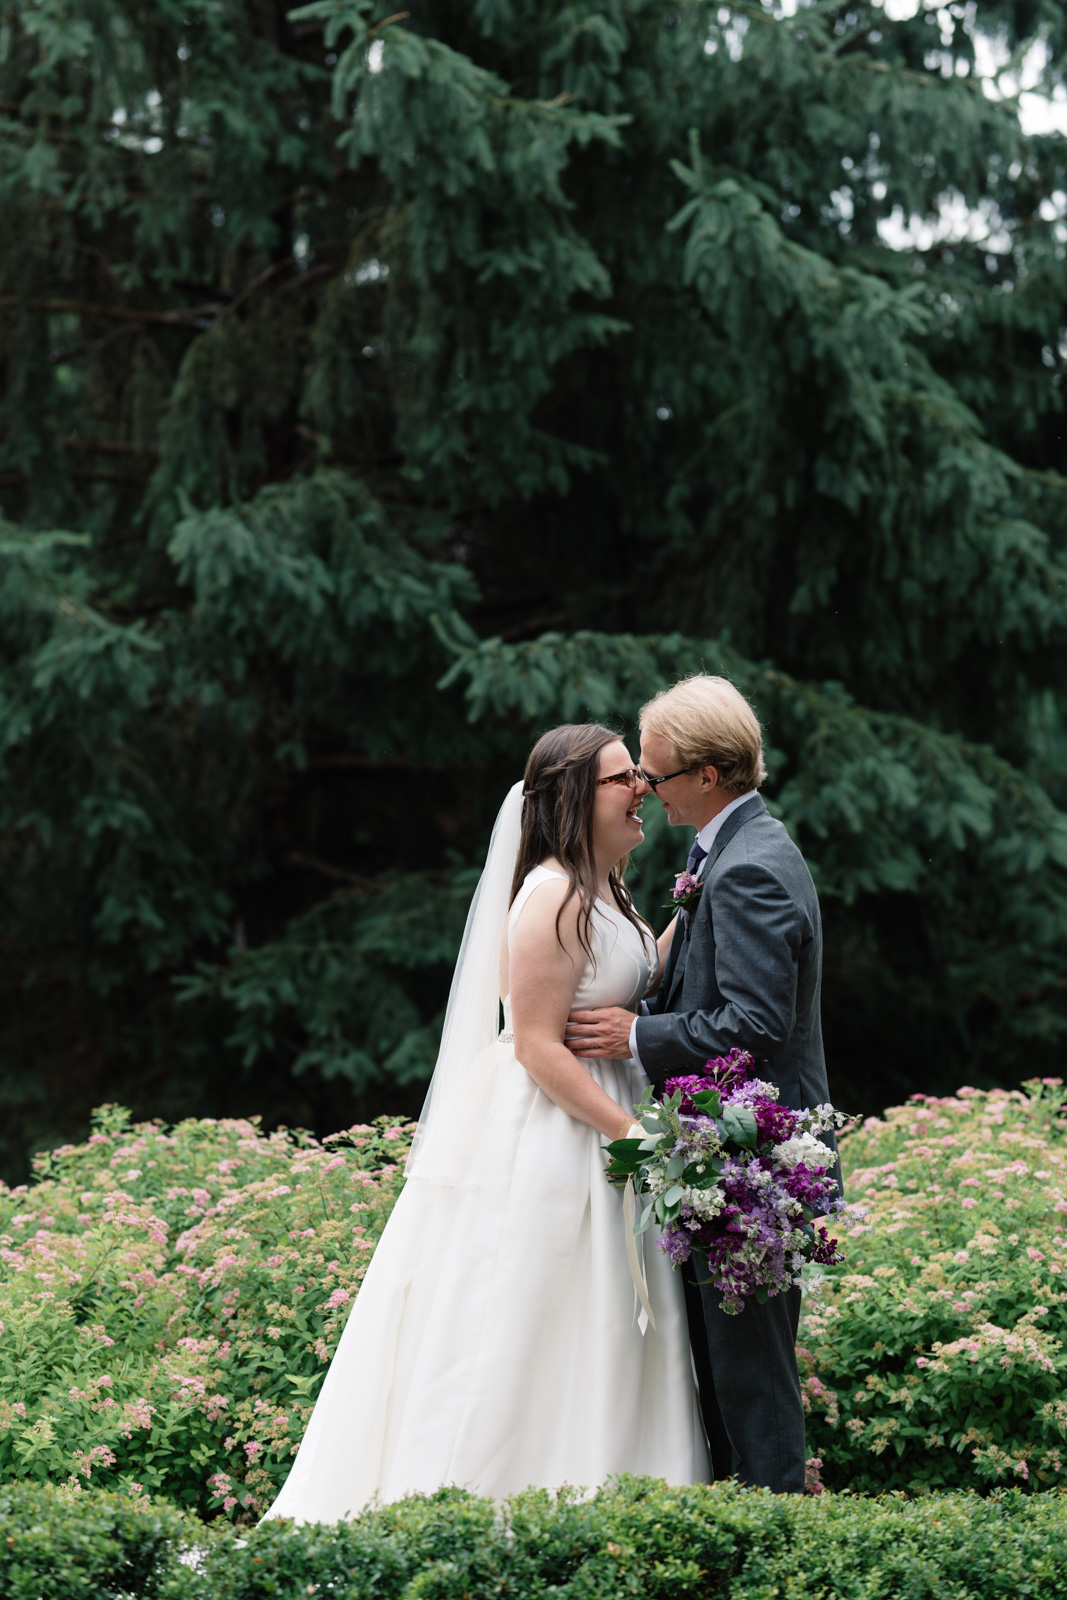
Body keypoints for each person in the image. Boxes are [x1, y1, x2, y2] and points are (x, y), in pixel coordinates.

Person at [263, 723, 707, 1522]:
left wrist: (692, 904)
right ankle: (480, 1509)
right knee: (524, 1320)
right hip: (554, 1133)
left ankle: (614, 1500)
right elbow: (538, 1047)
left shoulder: (606, 889)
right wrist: (632, 1137)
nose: (642, 788)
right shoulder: (551, 894)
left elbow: (630, 973)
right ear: (574, 797)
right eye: (622, 780)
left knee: (598, 1322)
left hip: (600, 1116)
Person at [567, 675, 833, 1495]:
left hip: (757, 1170)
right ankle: (738, 1527)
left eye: (655, 774)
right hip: (726, 1159)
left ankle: (777, 1542)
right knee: (728, 1374)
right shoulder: (726, 849)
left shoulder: (750, 868)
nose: (644, 788)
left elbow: (753, 1025)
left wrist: (636, 1035)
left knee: (752, 1380)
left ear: (707, 776)